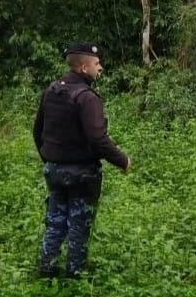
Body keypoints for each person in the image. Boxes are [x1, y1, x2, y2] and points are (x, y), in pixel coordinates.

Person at [33, 41, 130, 278]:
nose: (101, 68)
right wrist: (122, 161)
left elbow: (38, 130)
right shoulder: (87, 98)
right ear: (84, 68)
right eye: (97, 64)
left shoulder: (53, 90)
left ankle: (47, 269)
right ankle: (76, 275)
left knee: (55, 221)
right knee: (79, 224)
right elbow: (98, 138)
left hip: (54, 169)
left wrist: (47, 157)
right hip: (82, 173)